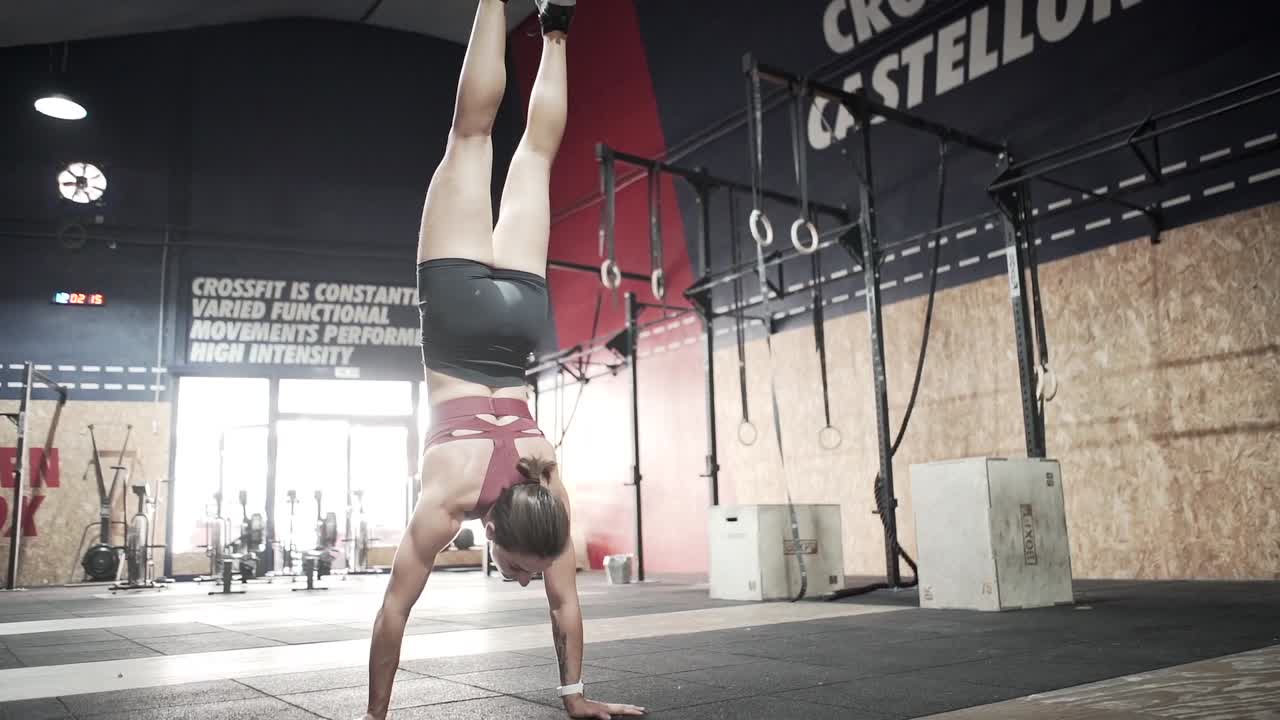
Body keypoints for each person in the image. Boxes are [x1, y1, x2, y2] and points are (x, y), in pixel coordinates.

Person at [360, 1, 645, 719]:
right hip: (456, 315)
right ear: (496, 534)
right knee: (472, 134)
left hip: (517, 319)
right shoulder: (447, 502)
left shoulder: (545, 477)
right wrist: (373, 718)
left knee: (534, 156)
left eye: (524, 571)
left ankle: (553, 28)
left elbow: (564, 603)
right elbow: (392, 614)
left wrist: (577, 696)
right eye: (523, 572)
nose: (524, 580)